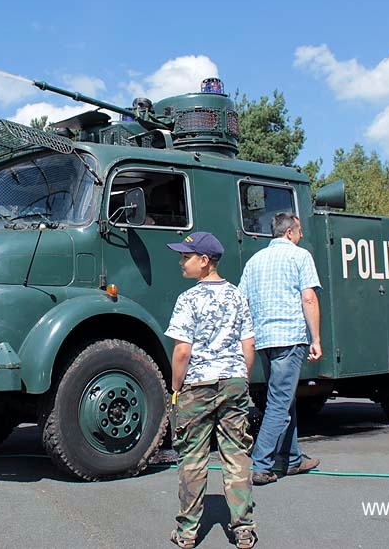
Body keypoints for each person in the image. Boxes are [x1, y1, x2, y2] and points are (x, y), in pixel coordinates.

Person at [164, 232, 258, 549]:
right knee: (236, 455)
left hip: (197, 386)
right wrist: (241, 378)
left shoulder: (188, 300)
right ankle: (243, 529)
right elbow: (249, 345)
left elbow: (181, 352)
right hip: (233, 381)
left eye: (186, 257)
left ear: (204, 262)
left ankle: (188, 532)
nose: (181, 262)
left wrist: (175, 388)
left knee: (192, 458)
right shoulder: (238, 296)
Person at [238, 212, 322, 485]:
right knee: (278, 402)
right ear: (289, 232)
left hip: (263, 340)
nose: (301, 236)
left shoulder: (254, 261)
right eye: (299, 231)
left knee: (285, 398)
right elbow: (308, 298)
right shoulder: (300, 256)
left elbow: (243, 302)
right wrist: (316, 338)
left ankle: (292, 458)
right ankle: (262, 464)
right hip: (290, 337)